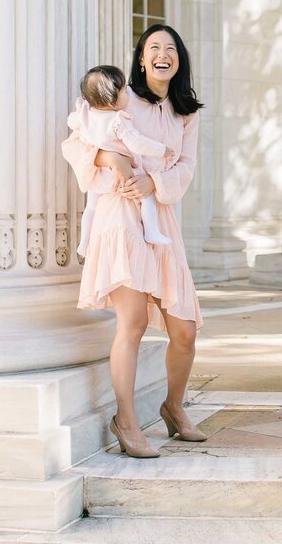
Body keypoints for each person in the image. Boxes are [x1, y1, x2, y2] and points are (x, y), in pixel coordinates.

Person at [62, 25, 205, 459]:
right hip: (119, 216)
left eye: (170, 48)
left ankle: (173, 408)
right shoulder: (121, 99)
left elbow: (185, 167)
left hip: (158, 216)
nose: (163, 54)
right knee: (134, 324)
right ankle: (125, 421)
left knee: (184, 329)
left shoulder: (186, 112)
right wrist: (110, 157)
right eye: (153, 48)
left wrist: (153, 183)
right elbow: (77, 143)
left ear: (179, 58)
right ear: (141, 58)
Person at [70, 65, 178, 256]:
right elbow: (137, 143)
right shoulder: (118, 121)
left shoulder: (85, 114)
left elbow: (71, 122)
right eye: (123, 91)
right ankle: (152, 231)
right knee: (148, 198)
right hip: (124, 174)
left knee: (91, 207)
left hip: (97, 175)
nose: (128, 92)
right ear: (112, 102)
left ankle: (84, 243)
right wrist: (163, 151)